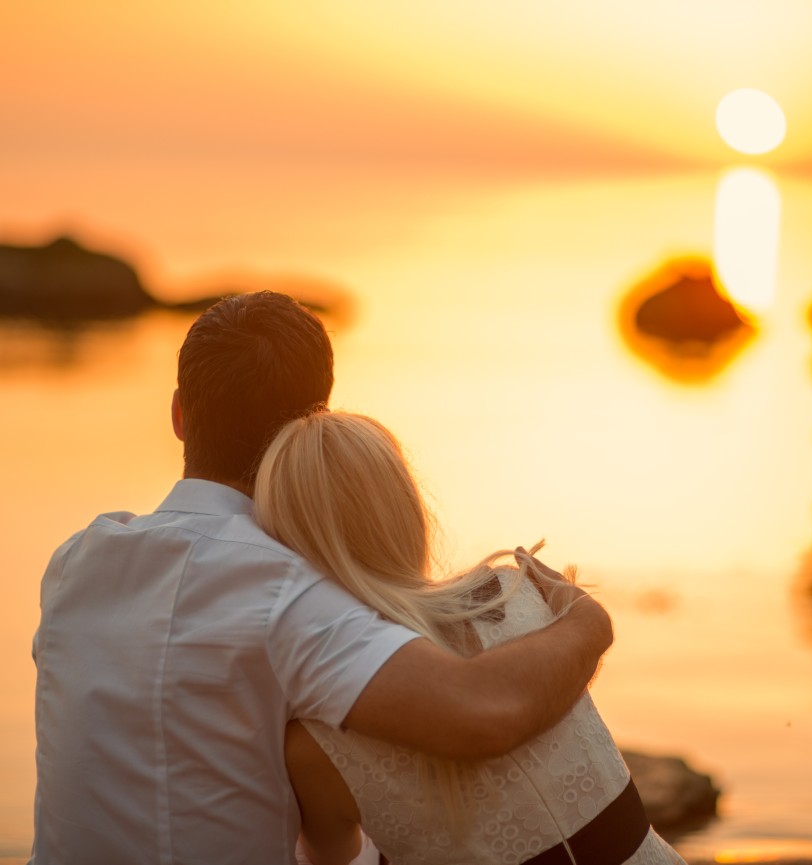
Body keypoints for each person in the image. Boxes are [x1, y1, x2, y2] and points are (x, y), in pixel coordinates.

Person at [29, 291, 613, 865]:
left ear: (179, 415)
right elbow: (482, 711)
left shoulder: (73, 562)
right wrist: (589, 621)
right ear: (315, 427)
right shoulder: (286, 594)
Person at [253, 409, 686, 865]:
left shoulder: (313, 747)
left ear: (285, 546)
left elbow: (333, 860)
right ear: (408, 508)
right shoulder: (520, 592)